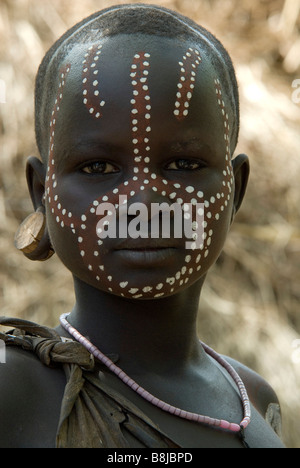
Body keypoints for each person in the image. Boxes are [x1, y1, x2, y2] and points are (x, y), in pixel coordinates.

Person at [0, 3, 285, 448]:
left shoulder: (255, 399)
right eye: (97, 167)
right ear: (42, 192)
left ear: (235, 190)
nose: (142, 202)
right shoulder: (14, 389)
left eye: (184, 163)